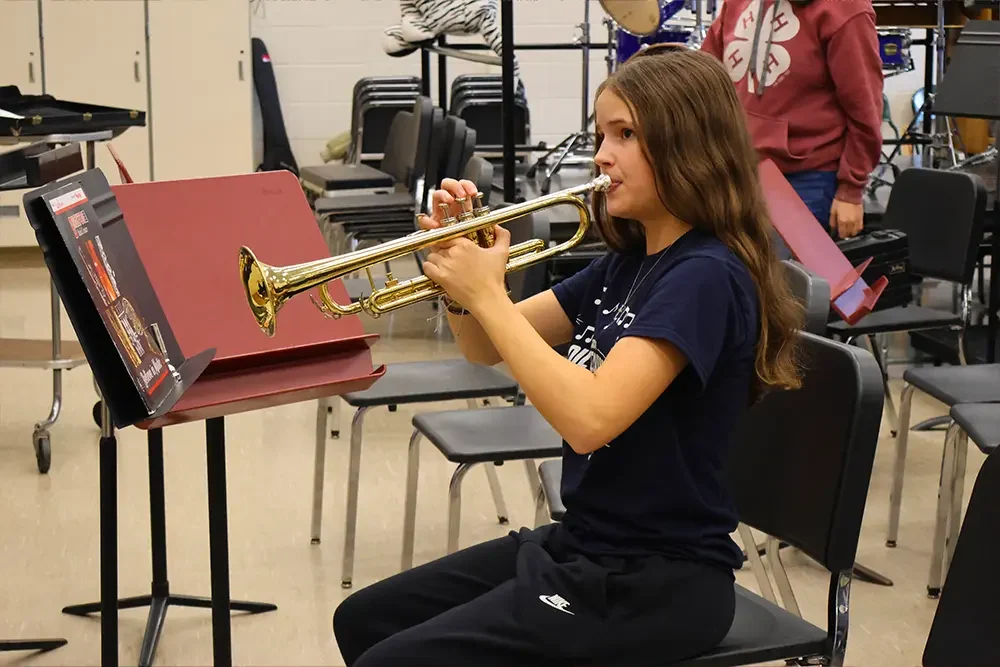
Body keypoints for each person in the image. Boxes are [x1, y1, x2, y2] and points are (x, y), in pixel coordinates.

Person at [332, 45, 803, 667]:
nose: (601, 154)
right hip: (586, 545)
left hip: (657, 582)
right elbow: (482, 347)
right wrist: (454, 273)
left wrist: (487, 293)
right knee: (363, 620)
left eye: (626, 134)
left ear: (690, 146)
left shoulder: (706, 277)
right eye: (601, 132)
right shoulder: (627, 264)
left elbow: (588, 421)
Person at [701, 0, 884, 240]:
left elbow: (865, 109)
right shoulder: (736, 3)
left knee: (781, 276)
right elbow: (703, 74)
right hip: (738, 172)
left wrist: (851, 189)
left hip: (805, 179)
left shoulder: (846, 8)